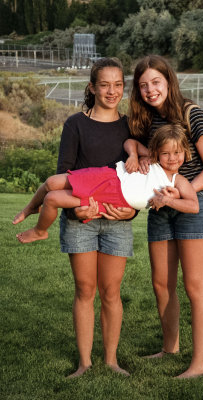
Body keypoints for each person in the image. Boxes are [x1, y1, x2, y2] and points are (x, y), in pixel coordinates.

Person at [17, 57, 136, 378]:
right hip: (79, 217)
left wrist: (132, 210)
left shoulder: (131, 127)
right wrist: (75, 208)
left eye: (118, 84)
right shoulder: (75, 124)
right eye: (105, 84)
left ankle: (111, 360)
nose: (112, 91)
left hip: (117, 221)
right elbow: (63, 174)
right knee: (85, 290)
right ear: (92, 87)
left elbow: (138, 181)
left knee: (111, 291)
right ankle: (85, 362)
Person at [128, 55, 203, 379]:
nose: (150, 90)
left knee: (196, 285)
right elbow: (141, 150)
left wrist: (181, 192)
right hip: (161, 207)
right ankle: (170, 347)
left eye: (155, 82)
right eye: (143, 85)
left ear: (169, 81)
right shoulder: (148, 120)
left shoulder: (191, 114)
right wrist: (136, 155)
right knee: (161, 283)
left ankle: (198, 366)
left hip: (197, 203)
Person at [13, 125, 199, 243]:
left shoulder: (178, 181)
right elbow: (129, 142)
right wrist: (134, 156)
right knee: (52, 182)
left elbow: (193, 205)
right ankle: (30, 207)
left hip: (115, 201)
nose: (172, 158)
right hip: (108, 177)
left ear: (186, 152)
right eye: (166, 153)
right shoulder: (152, 159)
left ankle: (40, 231)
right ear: (158, 151)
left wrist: (168, 201)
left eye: (177, 153)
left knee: (52, 199)